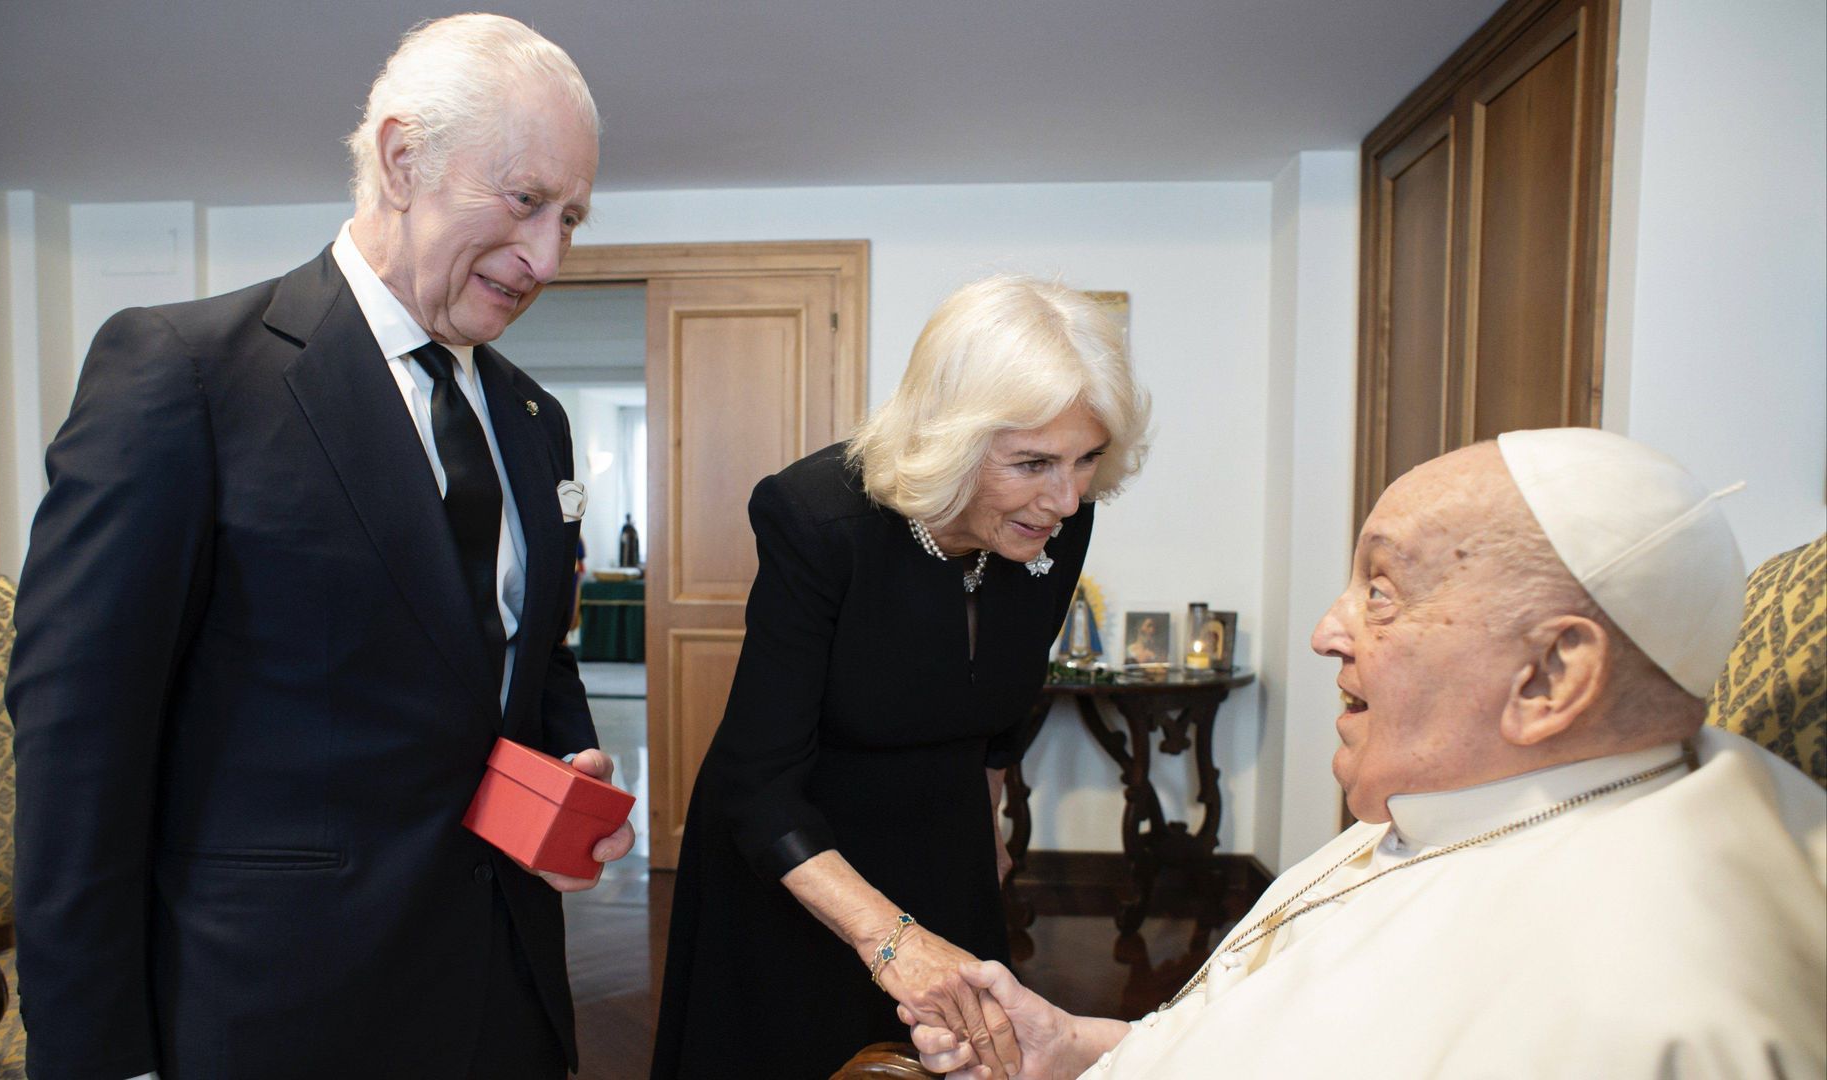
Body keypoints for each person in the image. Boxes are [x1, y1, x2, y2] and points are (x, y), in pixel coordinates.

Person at [6, 16, 629, 1079]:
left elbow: (523, 656)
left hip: (503, 998)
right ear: (401, 159)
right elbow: (78, 749)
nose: (547, 258)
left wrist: (567, 773)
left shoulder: (533, 419)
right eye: (526, 201)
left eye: (570, 217)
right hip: (274, 1011)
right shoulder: (183, 375)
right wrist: (99, 1057)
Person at [906, 428, 1827, 1078]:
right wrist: (1076, 1050)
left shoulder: (1647, 1001)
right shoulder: (1475, 795)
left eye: (1381, 590)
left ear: (1550, 675)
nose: (1325, 632)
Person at [651, 276, 1152, 1078]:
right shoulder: (818, 520)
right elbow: (756, 782)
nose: (1066, 498)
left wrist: (985, 828)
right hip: (801, 854)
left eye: (1086, 459)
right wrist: (890, 940)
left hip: (942, 836)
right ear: (950, 436)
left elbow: (1000, 709)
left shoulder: (1056, 519)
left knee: (951, 1058)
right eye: (1032, 463)